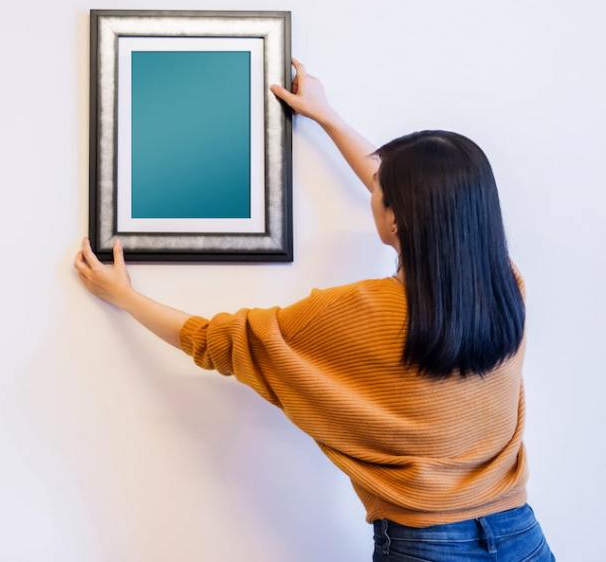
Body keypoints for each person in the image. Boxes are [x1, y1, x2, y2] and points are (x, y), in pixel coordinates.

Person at [73, 59, 555, 561]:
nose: (374, 195)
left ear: (397, 219)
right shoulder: (507, 288)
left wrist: (125, 297)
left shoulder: (358, 313)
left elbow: (216, 339)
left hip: (427, 545)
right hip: (521, 534)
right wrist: (328, 117)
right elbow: (414, 196)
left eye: (381, 195)